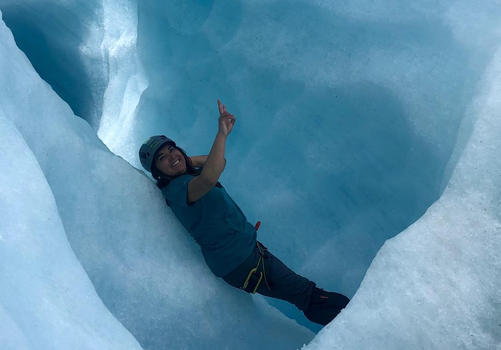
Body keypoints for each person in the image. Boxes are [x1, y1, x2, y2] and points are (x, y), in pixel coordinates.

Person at [138, 99, 349, 326]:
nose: (171, 156)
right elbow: (210, 177)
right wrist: (221, 135)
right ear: (157, 172)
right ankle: (361, 327)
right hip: (241, 263)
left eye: (172, 149)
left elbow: (217, 162)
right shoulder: (177, 189)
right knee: (307, 295)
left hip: (247, 255)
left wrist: (185, 160)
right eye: (162, 158)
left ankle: (355, 326)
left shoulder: (186, 177)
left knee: (305, 294)